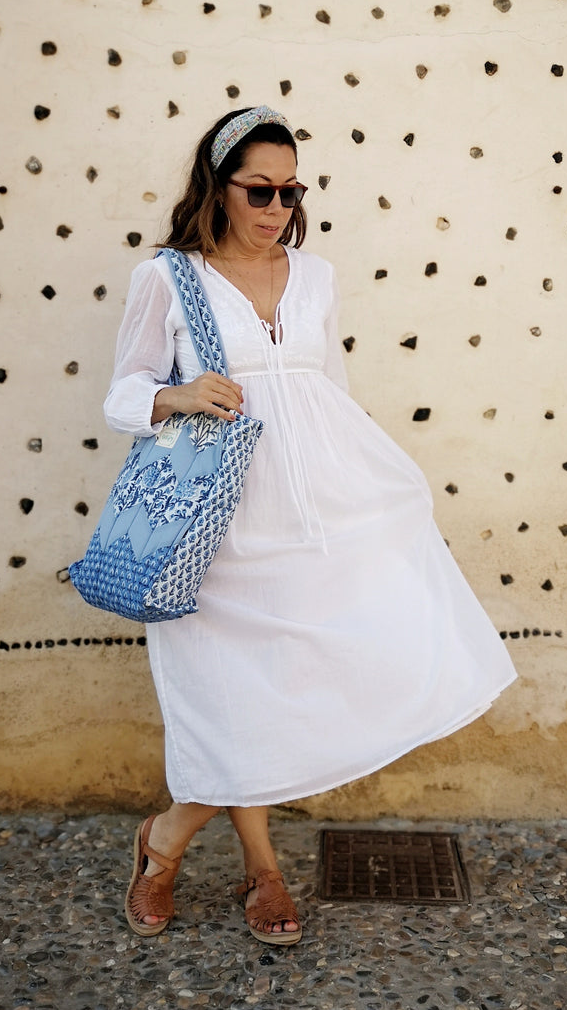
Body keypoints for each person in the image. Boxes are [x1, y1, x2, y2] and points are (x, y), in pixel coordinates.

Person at [103, 105, 517, 944]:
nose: (277, 206)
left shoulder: (318, 275)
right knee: (233, 707)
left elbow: (331, 392)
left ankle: (171, 839)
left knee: (281, 702)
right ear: (217, 188)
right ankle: (252, 870)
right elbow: (121, 392)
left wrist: (373, 495)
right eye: (260, 189)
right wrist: (174, 394)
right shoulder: (168, 277)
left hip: (311, 521)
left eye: (292, 190)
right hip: (215, 530)